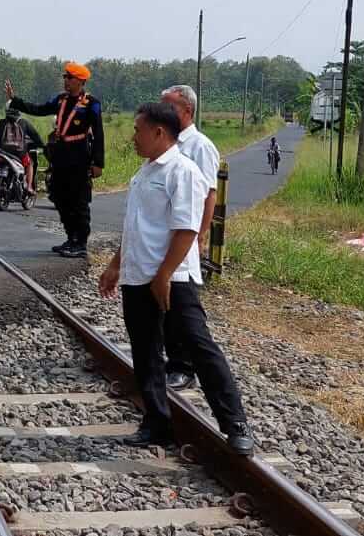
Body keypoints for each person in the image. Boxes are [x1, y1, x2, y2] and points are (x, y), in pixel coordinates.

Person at [96, 102, 255, 454]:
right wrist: (115, 265)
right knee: (146, 351)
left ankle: (236, 423)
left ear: (159, 133)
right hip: (139, 276)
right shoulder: (145, 172)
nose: (133, 137)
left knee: (199, 347)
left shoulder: (181, 171)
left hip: (173, 279)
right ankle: (157, 422)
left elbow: (186, 229)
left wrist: (164, 275)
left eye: (138, 130)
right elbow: (135, 227)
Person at [4, 62, 104, 258]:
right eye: (65, 77)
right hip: (60, 155)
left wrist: (98, 163)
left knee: (78, 200)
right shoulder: (60, 100)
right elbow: (38, 109)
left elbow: (99, 133)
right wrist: (14, 100)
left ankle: (80, 242)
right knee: (58, 196)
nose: (65, 81)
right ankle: (70, 237)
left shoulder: (92, 104)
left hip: (80, 156)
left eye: (70, 78)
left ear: (81, 81)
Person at [158, 84, 220, 389]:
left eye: (170, 107)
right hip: (163, 235)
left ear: (187, 111)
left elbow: (209, 195)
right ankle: (168, 360)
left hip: (185, 237)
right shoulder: (166, 142)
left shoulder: (199, 146)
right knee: (163, 303)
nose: (164, 112)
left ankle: (184, 366)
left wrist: (199, 236)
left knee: (183, 306)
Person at [0, 107, 43, 192]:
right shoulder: (24, 123)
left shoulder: (2, 122)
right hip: (19, 154)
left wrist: (3, 147)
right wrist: (42, 145)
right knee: (30, 163)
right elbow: (36, 137)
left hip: (4, 152)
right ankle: (29, 187)